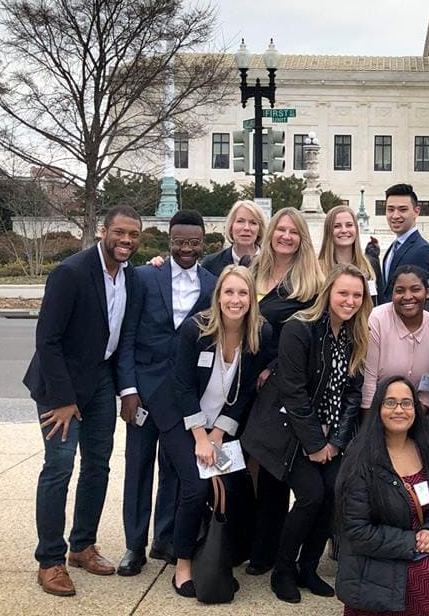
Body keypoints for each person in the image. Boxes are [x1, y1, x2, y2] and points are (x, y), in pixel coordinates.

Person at [24, 205, 142, 596]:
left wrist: (126, 390)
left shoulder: (131, 280)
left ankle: (82, 545)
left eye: (134, 235)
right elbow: (47, 339)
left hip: (101, 384)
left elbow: (122, 340)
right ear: (103, 232)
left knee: (98, 466)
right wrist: (61, 399)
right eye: (120, 232)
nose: (126, 240)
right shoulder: (70, 273)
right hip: (59, 387)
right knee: (58, 468)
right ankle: (51, 560)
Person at [243, 265, 373, 603]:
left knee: (333, 493)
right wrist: (316, 443)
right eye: (343, 293)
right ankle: (283, 570)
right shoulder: (299, 328)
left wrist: (335, 442)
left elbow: (352, 395)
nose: (350, 300)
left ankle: (308, 568)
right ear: (328, 292)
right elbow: (293, 391)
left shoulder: (356, 335)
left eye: (357, 295)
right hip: (289, 432)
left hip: (328, 436)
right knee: (311, 494)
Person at [152, 265, 273, 597]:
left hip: (221, 425)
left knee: (231, 487)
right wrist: (201, 437)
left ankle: (219, 556)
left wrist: (219, 433)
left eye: (243, 293)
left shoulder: (260, 334)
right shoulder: (196, 330)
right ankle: (183, 564)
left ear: (252, 298)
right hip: (182, 421)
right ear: (218, 296)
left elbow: (246, 390)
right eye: (229, 292)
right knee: (194, 487)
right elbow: (182, 386)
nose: (235, 300)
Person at [115, 210, 217, 576]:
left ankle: (166, 538)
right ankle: (134, 547)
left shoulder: (213, 284)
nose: (186, 248)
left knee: (176, 470)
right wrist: (127, 389)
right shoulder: (144, 276)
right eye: (179, 242)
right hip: (143, 393)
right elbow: (126, 336)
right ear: (168, 241)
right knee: (138, 469)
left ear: (204, 243)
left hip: (183, 396)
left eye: (193, 242)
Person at [336, 376, 429, 616]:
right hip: (379, 559)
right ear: (378, 409)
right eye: (391, 403)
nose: (399, 410)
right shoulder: (360, 457)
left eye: (406, 403)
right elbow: (357, 531)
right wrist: (414, 541)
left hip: (423, 554)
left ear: (416, 410)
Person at [244, 206, 326, 574]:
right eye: (281, 230)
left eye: (294, 231)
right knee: (246, 469)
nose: (287, 237)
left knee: (274, 469)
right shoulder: (251, 271)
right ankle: (243, 543)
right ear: (271, 233)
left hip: (277, 384)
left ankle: (268, 551)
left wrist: (275, 368)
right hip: (241, 379)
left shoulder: (309, 281)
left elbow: (308, 337)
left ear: (302, 237)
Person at [363, 265, 429, 411]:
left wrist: (418, 420)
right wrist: (370, 425)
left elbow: (428, 385)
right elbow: (369, 380)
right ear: (392, 294)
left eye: (415, 289)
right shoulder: (376, 319)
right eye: (400, 291)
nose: (408, 296)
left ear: (427, 292)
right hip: (378, 411)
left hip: (416, 414)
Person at [319, 204, 380, 300]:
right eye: (337, 226)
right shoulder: (317, 269)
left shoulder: (371, 265)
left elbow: (379, 304)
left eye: (349, 225)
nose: (344, 230)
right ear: (328, 231)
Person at [380, 183, 429, 296]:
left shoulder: (423, 250)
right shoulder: (392, 248)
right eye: (390, 209)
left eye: (402, 210)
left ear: (416, 212)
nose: (395, 216)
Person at [201, 199, 266, 275]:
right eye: (240, 221)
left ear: (260, 230)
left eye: (253, 223)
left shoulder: (272, 263)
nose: (246, 228)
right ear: (231, 226)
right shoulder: (211, 264)